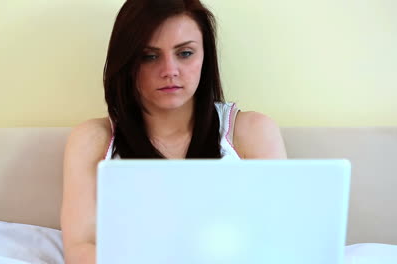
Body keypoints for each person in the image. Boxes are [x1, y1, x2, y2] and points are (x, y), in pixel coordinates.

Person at [61, 0, 287, 263]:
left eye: (185, 53)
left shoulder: (252, 132)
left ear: (206, 55)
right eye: (150, 56)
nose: (169, 71)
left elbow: (279, 238)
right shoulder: (92, 139)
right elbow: (80, 248)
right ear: (127, 61)